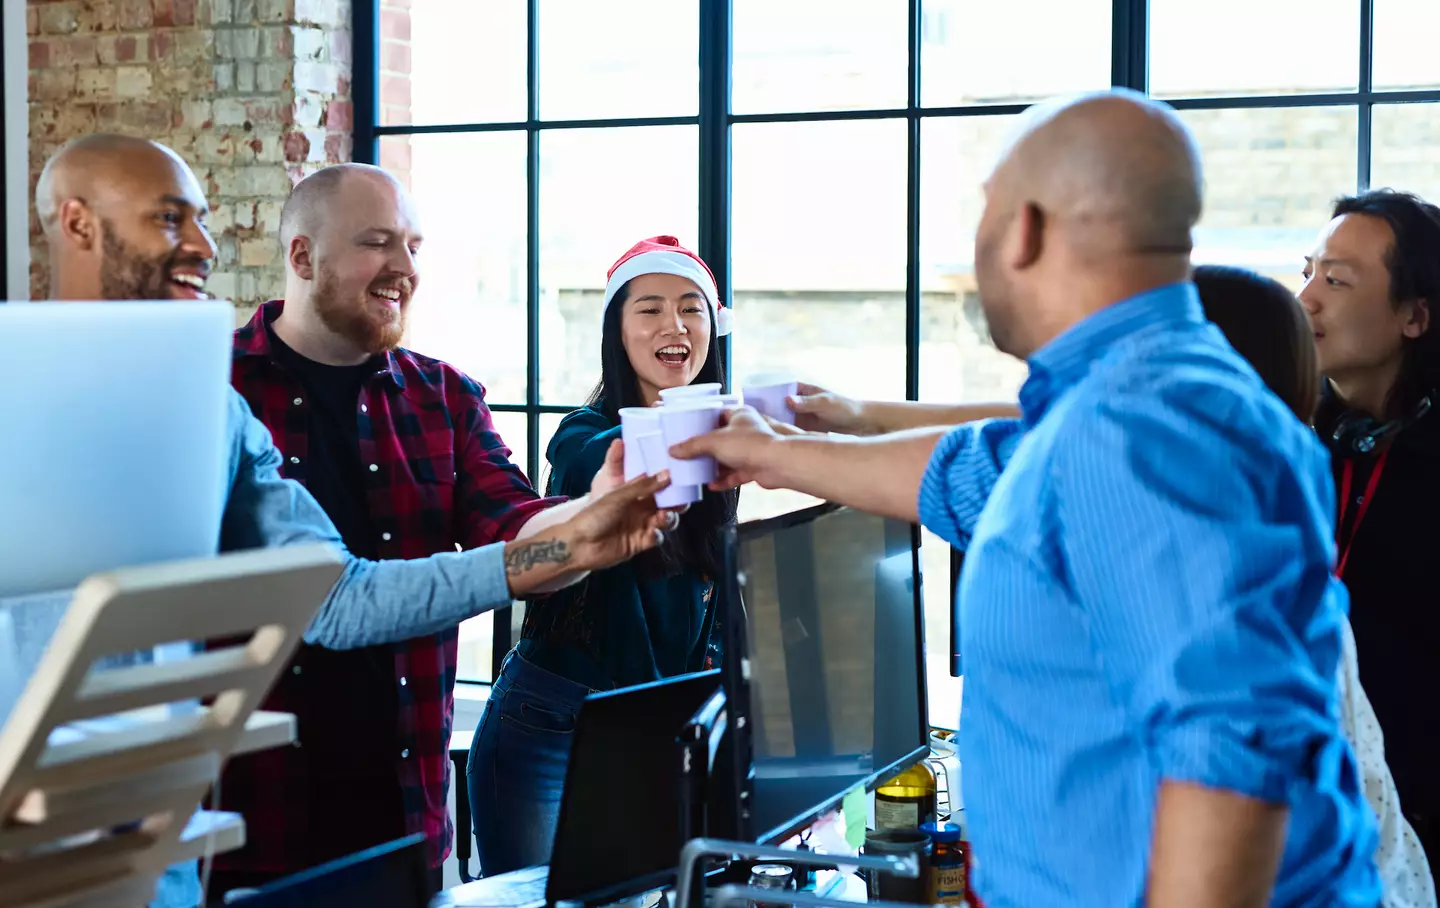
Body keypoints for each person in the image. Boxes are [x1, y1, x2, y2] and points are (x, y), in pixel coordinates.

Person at [672, 91, 1381, 907]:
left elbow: (1234, 756)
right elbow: (966, 473)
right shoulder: (1118, 406)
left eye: (985, 215)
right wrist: (774, 454)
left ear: (1028, 229)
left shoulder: (1151, 431)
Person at [33, 134, 676, 908]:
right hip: (174, 837)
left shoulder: (214, 410)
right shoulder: (196, 386)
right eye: (172, 220)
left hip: (233, 846)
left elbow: (336, 598)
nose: (204, 246)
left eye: (412, 245)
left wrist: (585, 523)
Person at [791, 263, 1436, 907]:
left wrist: (775, 454)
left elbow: (986, 467)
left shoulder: (1165, 512)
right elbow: (1027, 432)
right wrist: (855, 419)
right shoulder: (1261, 485)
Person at [215, 163, 666, 893]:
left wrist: (594, 511)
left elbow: (516, 525)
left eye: (414, 247)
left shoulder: (445, 397)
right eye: (377, 243)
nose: (404, 269)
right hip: (245, 827)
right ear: (302, 257)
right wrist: (574, 536)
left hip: (402, 826)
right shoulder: (216, 392)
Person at [466, 236, 738, 876]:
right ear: (617, 331)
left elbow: (719, 608)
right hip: (546, 728)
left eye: (691, 308)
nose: (673, 325)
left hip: (656, 729)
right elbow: (615, 460)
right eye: (649, 308)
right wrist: (725, 429)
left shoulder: (720, 443)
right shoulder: (582, 437)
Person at [1301, 189, 1440, 863]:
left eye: (1336, 279)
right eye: (1308, 271)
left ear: (1415, 316)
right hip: (1310, 813)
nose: (1305, 299)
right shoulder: (1292, 444)